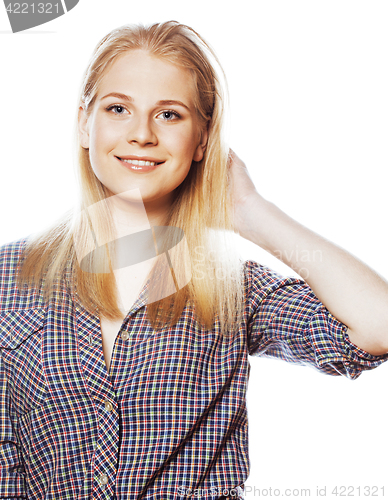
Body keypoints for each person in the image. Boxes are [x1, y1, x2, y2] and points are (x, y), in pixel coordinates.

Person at [1, 20, 388, 500]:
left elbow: (380, 327)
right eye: (118, 108)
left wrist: (253, 213)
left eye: (169, 115)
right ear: (85, 122)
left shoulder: (232, 288)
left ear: (203, 139)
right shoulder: (7, 276)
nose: (141, 134)